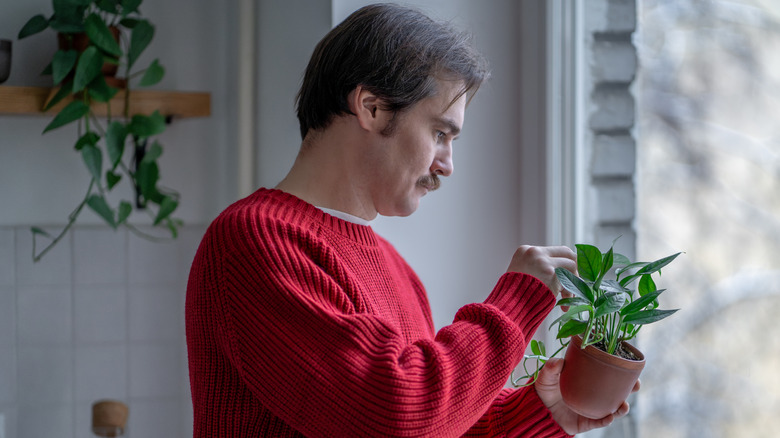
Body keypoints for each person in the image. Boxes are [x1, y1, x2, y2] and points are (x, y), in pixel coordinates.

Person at [186, 3, 635, 437]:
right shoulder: (253, 242)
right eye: (440, 133)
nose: (447, 164)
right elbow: (396, 416)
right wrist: (513, 307)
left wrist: (541, 413)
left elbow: (434, 428)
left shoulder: (396, 270)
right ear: (371, 107)